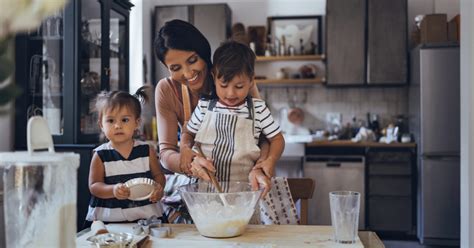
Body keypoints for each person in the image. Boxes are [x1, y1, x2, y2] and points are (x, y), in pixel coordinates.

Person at [153, 19, 272, 191]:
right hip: (202, 186)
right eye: (175, 67)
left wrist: (260, 167)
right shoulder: (167, 90)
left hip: (245, 183)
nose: (188, 73)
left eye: (192, 60)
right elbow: (166, 152)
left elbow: (265, 138)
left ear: (203, 52)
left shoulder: (233, 77)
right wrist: (189, 163)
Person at [181, 40, 285, 187]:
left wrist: (270, 161)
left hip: (245, 190)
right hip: (205, 189)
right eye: (223, 85)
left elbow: (277, 139)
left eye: (239, 86)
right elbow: (188, 133)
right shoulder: (204, 107)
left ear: (251, 80)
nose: (230, 93)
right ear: (213, 77)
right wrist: (184, 149)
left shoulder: (258, 109)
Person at [86, 86, 165, 224]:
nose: (117, 126)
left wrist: (158, 189)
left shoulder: (147, 150)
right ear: (101, 125)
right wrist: (113, 190)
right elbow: (94, 186)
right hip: (110, 219)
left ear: (137, 123)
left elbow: (158, 176)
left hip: (146, 216)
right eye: (111, 121)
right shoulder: (100, 155)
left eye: (125, 120)